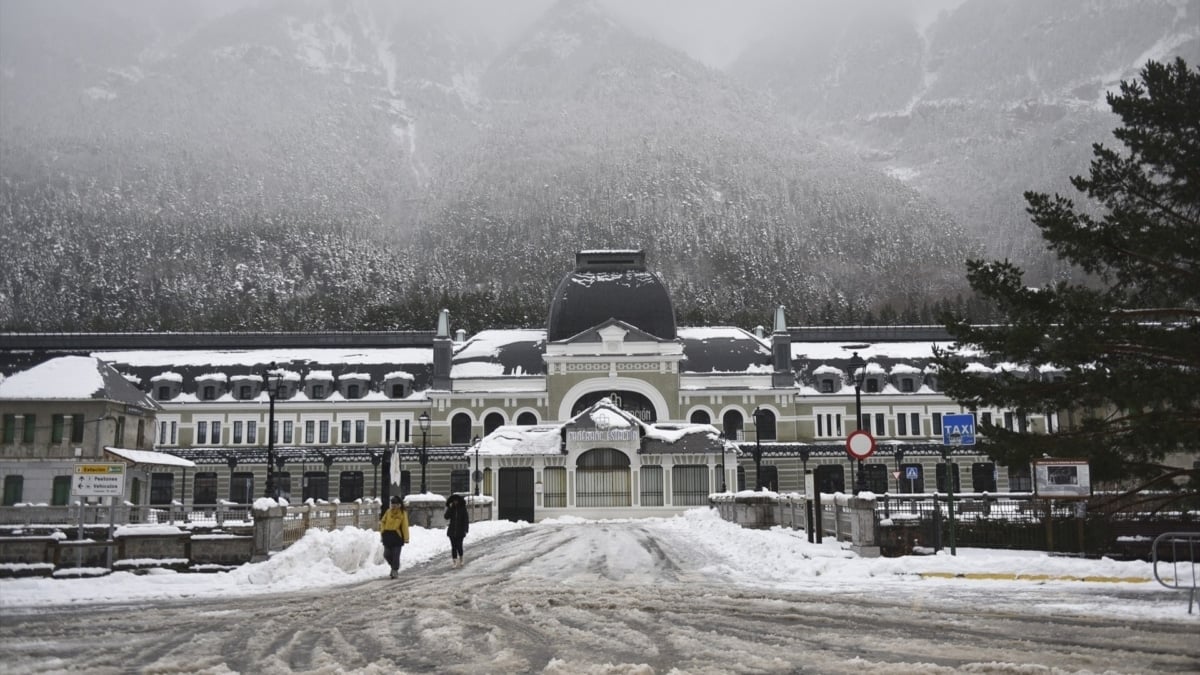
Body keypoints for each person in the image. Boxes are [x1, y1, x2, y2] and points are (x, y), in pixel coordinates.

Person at [379, 495, 410, 579]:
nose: (393, 506)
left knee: (396, 555)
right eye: (392, 504)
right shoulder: (388, 512)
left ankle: (394, 570)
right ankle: (394, 567)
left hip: (397, 536)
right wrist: (383, 532)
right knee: (386, 554)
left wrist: (406, 538)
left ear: (399, 504)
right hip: (387, 535)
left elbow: (404, 526)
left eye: (395, 504)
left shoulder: (402, 513)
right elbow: (383, 522)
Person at [444, 493, 470, 568]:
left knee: (459, 546)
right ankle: (454, 561)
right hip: (452, 530)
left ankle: (461, 558)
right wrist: (449, 508)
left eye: (456, 501)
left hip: (460, 530)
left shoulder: (463, 508)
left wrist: (466, 529)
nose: (455, 502)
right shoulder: (451, 508)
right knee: (453, 547)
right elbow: (446, 517)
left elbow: (466, 519)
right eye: (454, 501)